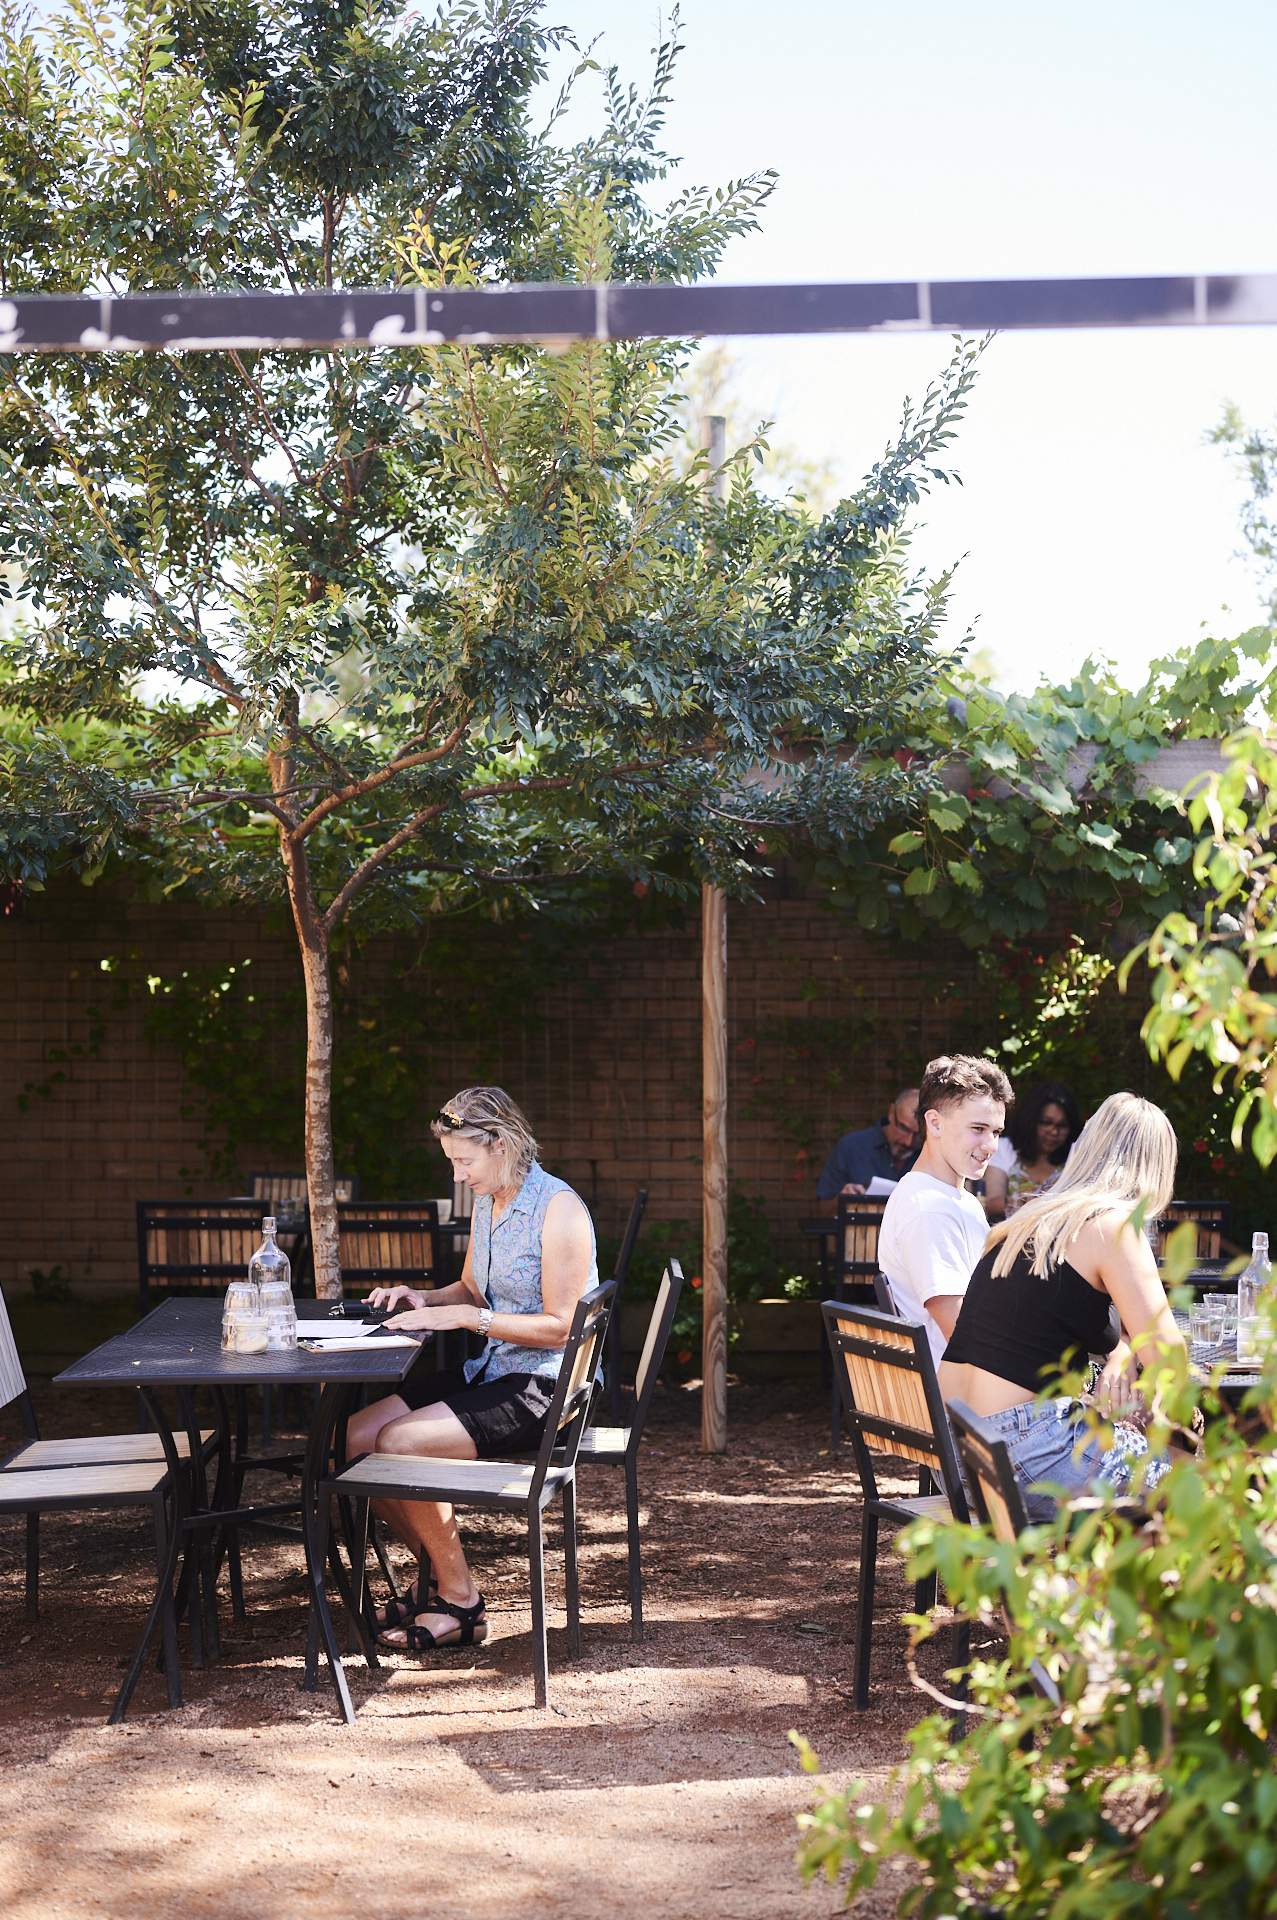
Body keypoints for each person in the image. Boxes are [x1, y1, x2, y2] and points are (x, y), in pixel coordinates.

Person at [346, 1086, 597, 1654]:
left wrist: (468, 1318)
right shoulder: (489, 1201)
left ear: (502, 1145)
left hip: (544, 1386)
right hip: (492, 1369)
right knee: (356, 1438)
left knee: (401, 1444)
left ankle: (460, 1601)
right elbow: (471, 1290)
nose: (458, 1176)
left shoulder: (560, 1210)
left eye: (464, 1161)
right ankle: (438, 1575)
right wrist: (423, 1299)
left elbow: (561, 1326)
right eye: (452, 1162)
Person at [940, 1091, 1186, 1520]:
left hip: (957, 1451)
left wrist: (1122, 1352)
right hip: (1026, 1455)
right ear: (1156, 1167)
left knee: (1159, 1448)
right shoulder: (1113, 1225)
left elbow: (1102, 1330)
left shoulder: (1028, 1220)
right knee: (1213, 1482)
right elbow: (1168, 1360)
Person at [878, 1055, 1011, 1362]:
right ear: (934, 1123)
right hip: (964, 1398)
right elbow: (963, 1335)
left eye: (996, 1132)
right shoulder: (929, 1208)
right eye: (978, 1128)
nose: (991, 1145)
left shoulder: (958, 1199)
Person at [982, 1079, 1082, 1219]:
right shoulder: (1005, 1149)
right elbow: (993, 1204)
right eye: (1046, 1123)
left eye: (1062, 1125)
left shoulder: (1077, 1156)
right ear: (1030, 1121)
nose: (1054, 1132)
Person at [816, 1086, 920, 1212]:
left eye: (918, 1134)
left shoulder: (929, 1154)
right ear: (891, 1113)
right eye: (903, 1128)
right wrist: (843, 1199)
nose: (908, 1142)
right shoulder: (851, 1147)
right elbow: (822, 1209)